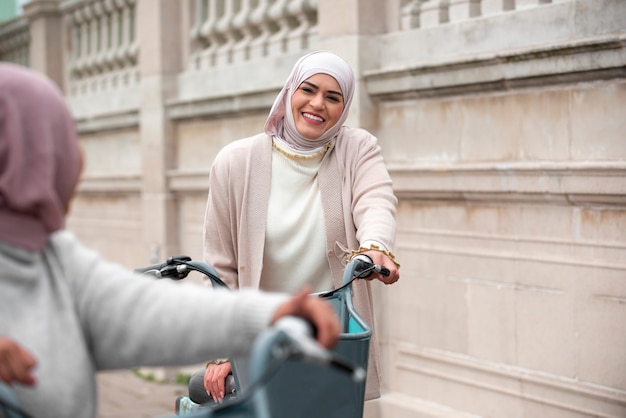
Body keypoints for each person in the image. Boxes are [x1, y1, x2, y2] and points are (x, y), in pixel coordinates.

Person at [0, 63, 340, 418]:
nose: (77, 159)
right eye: (60, 140)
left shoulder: (54, 261)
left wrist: (272, 314)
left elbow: (146, 310)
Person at [194, 50, 400, 404]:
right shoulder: (235, 162)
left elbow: (376, 200)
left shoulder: (357, 148)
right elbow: (220, 267)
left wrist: (376, 245)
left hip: (330, 336)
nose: (318, 104)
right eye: (308, 89)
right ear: (290, 91)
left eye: (333, 97)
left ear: (344, 105)